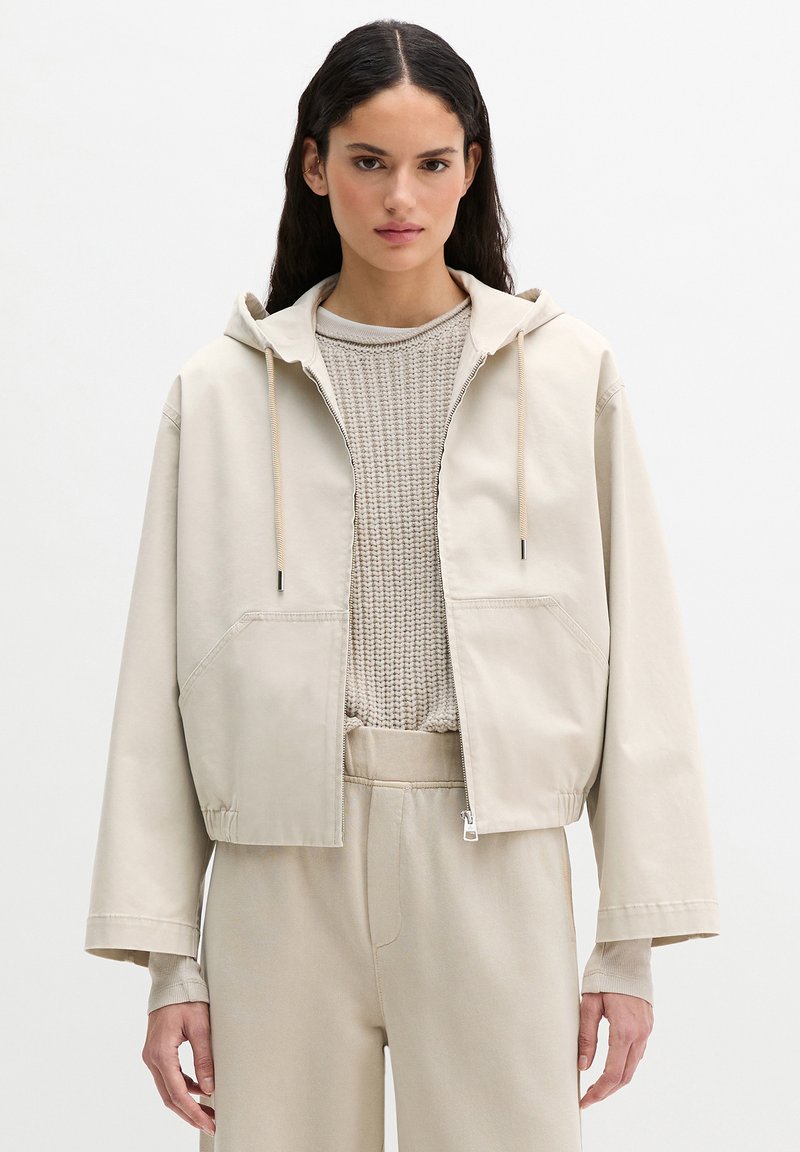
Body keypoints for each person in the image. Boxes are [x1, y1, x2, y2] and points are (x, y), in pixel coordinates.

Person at [83, 18, 720, 1151]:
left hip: (492, 856)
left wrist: (627, 944)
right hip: (280, 864)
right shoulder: (219, 392)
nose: (399, 198)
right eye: (368, 161)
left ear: (470, 168)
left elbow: (643, 659)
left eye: (431, 163)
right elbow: (158, 680)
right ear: (314, 165)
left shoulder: (566, 372)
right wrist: (169, 959)